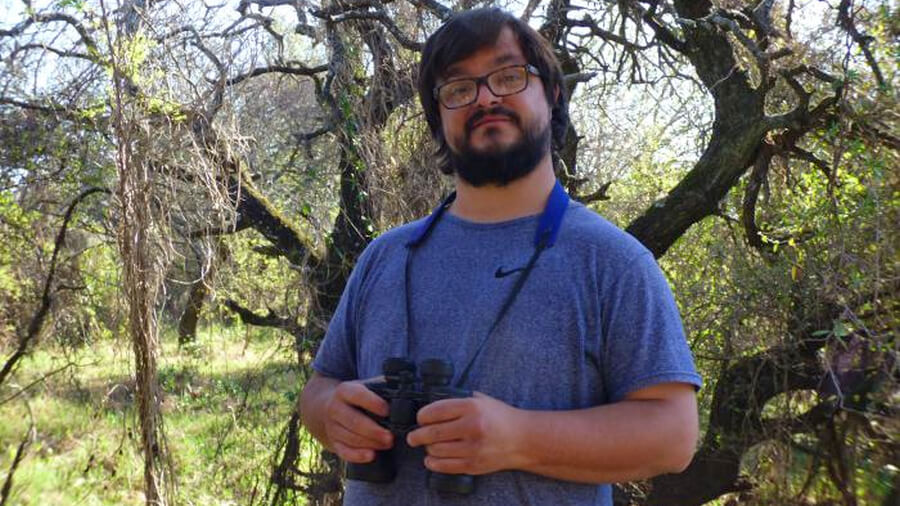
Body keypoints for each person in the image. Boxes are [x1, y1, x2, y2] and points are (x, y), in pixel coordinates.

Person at [300, 7, 702, 505]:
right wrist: (331, 413)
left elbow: (674, 436)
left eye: (508, 76)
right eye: (459, 88)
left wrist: (517, 439)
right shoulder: (386, 256)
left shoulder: (613, 262)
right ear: (438, 118)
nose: (486, 97)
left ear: (552, 93)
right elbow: (320, 389)